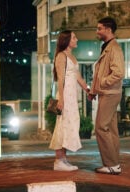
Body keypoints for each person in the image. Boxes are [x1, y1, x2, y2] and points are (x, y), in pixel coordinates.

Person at [88, 17, 125, 175]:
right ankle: (114, 164)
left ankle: (111, 164)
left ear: (108, 30)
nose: (97, 31)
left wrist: (102, 83)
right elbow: (101, 72)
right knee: (110, 129)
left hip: (110, 93)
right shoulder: (107, 47)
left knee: (101, 128)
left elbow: (118, 73)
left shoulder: (114, 48)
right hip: (107, 92)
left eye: (99, 28)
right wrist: (94, 91)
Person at [49, 30, 90, 171]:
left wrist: (87, 90)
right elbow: (60, 79)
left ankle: (63, 160)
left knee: (70, 125)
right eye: (74, 37)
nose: (77, 39)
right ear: (67, 40)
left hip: (72, 96)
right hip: (65, 96)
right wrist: (61, 99)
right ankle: (58, 161)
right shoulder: (61, 56)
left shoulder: (71, 56)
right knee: (63, 126)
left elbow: (78, 76)